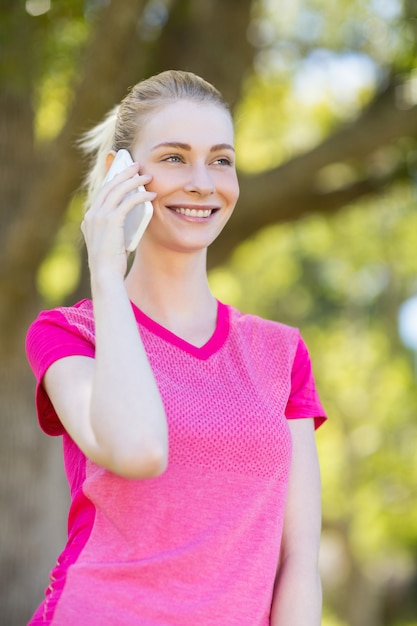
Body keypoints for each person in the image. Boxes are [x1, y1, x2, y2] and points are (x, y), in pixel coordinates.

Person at [25, 69, 327, 626]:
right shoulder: (69, 335)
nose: (203, 182)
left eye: (221, 159)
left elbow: (299, 558)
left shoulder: (281, 354)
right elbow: (139, 450)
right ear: (121, 175)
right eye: (173, 158)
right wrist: (106, 271)